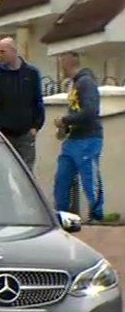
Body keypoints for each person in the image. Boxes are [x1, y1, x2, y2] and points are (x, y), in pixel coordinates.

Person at [54, 51, 104, 222]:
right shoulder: (73, 85)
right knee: (62, 179)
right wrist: (65, 127)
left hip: (88, 138)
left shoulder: (86, 82)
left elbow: (90, 111)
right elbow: (76, 110)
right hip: (73, 139)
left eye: (61, 61)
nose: (59, 66)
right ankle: (62, 216)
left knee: (90, 178)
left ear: (68, 62)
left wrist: (65, 120)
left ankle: (97, 215)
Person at [0, 37, 44, 171]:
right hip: (3, 132)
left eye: (2, 52)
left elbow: (38, 101)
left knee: (26, 170)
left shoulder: (31, 73)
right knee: (2, 170)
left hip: (25, 132)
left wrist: (36, 126)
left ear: (13, 51)